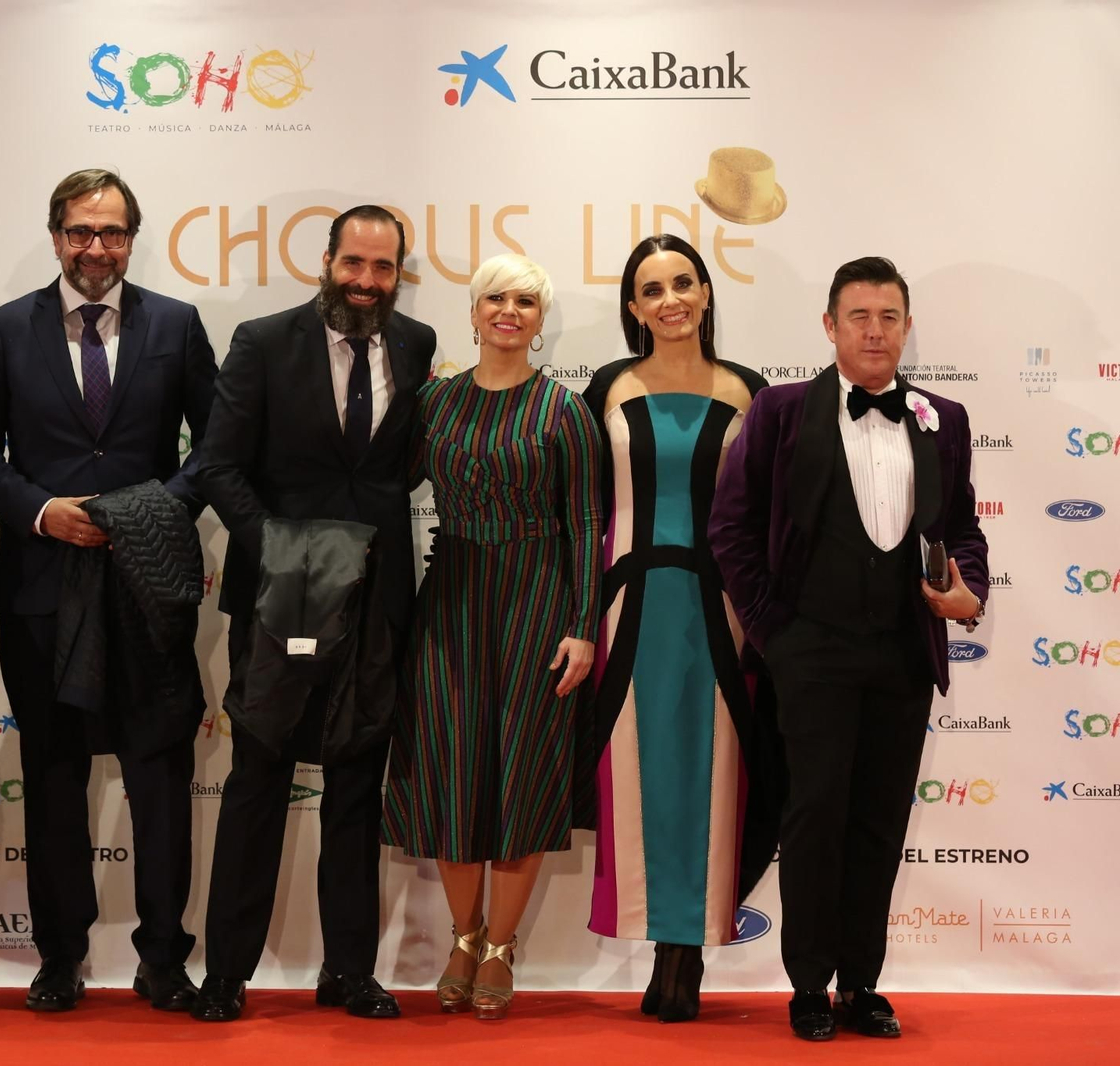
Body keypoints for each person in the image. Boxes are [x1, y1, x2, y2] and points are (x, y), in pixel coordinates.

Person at [0, 169, 217, 1013]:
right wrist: (39, 512)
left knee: (159, 781)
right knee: (56, 780)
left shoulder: (176, 324)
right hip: (41, 587)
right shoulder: (4, 328)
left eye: (111, 233)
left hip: (147, 587)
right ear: (55, 234)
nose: (95, 248)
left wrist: (149, 513)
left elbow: (216, 448)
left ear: (132, 238)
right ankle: (59, 958)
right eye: (79, 232)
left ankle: (164, 960)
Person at [708, 257, 988, 1041]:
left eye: (888, 317)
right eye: (858, 316)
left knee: (877, 824)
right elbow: (731, 528)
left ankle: (862, 983)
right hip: (811, 654)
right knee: (814, 818)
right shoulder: (780, 412)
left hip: (904, 654)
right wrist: (775, 634)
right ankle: (806, 985)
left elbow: (961, 528)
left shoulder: (944, 419)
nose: (874, 330)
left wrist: (972, 594)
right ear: (829, 327)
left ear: (905, 327)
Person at [190, 205, 437, 1023]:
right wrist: (285, 550)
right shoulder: (263, 342)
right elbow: (219, 466)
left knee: (357, 787)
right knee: (258, 779)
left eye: (383, 269)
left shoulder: (415, 344)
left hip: (375, 600)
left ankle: (349, 971)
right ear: (325, 262)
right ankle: (225, 972)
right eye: (354, 264)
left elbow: (395, 472)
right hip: (279, 598)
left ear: (398, 275)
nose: (367, 283)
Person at [381, 254, 602, 1020]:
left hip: (539, 602)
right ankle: (462, 938)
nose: (510, 312)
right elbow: (381, 484)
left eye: (526, 302)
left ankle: (502, 948)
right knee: (449, 767)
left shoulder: (562, 410)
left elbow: (584, 525)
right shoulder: (434, 403)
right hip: (451, 597)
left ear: (540, 323)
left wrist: (582, 628)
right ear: (473, 314)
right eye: (496, 299)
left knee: (523, 773)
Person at [580, 234, 777, 1022]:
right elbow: (586, 508)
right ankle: (656, 935)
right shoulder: (605, 387)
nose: (671, 300)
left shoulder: (749, 391)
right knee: (642, 770)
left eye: (684, 283)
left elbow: (766, 515)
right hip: (627, 610)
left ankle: (686, 952)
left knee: (712, 772)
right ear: (633, 307)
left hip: (721, 614)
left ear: (705, 293)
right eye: (652, 289)